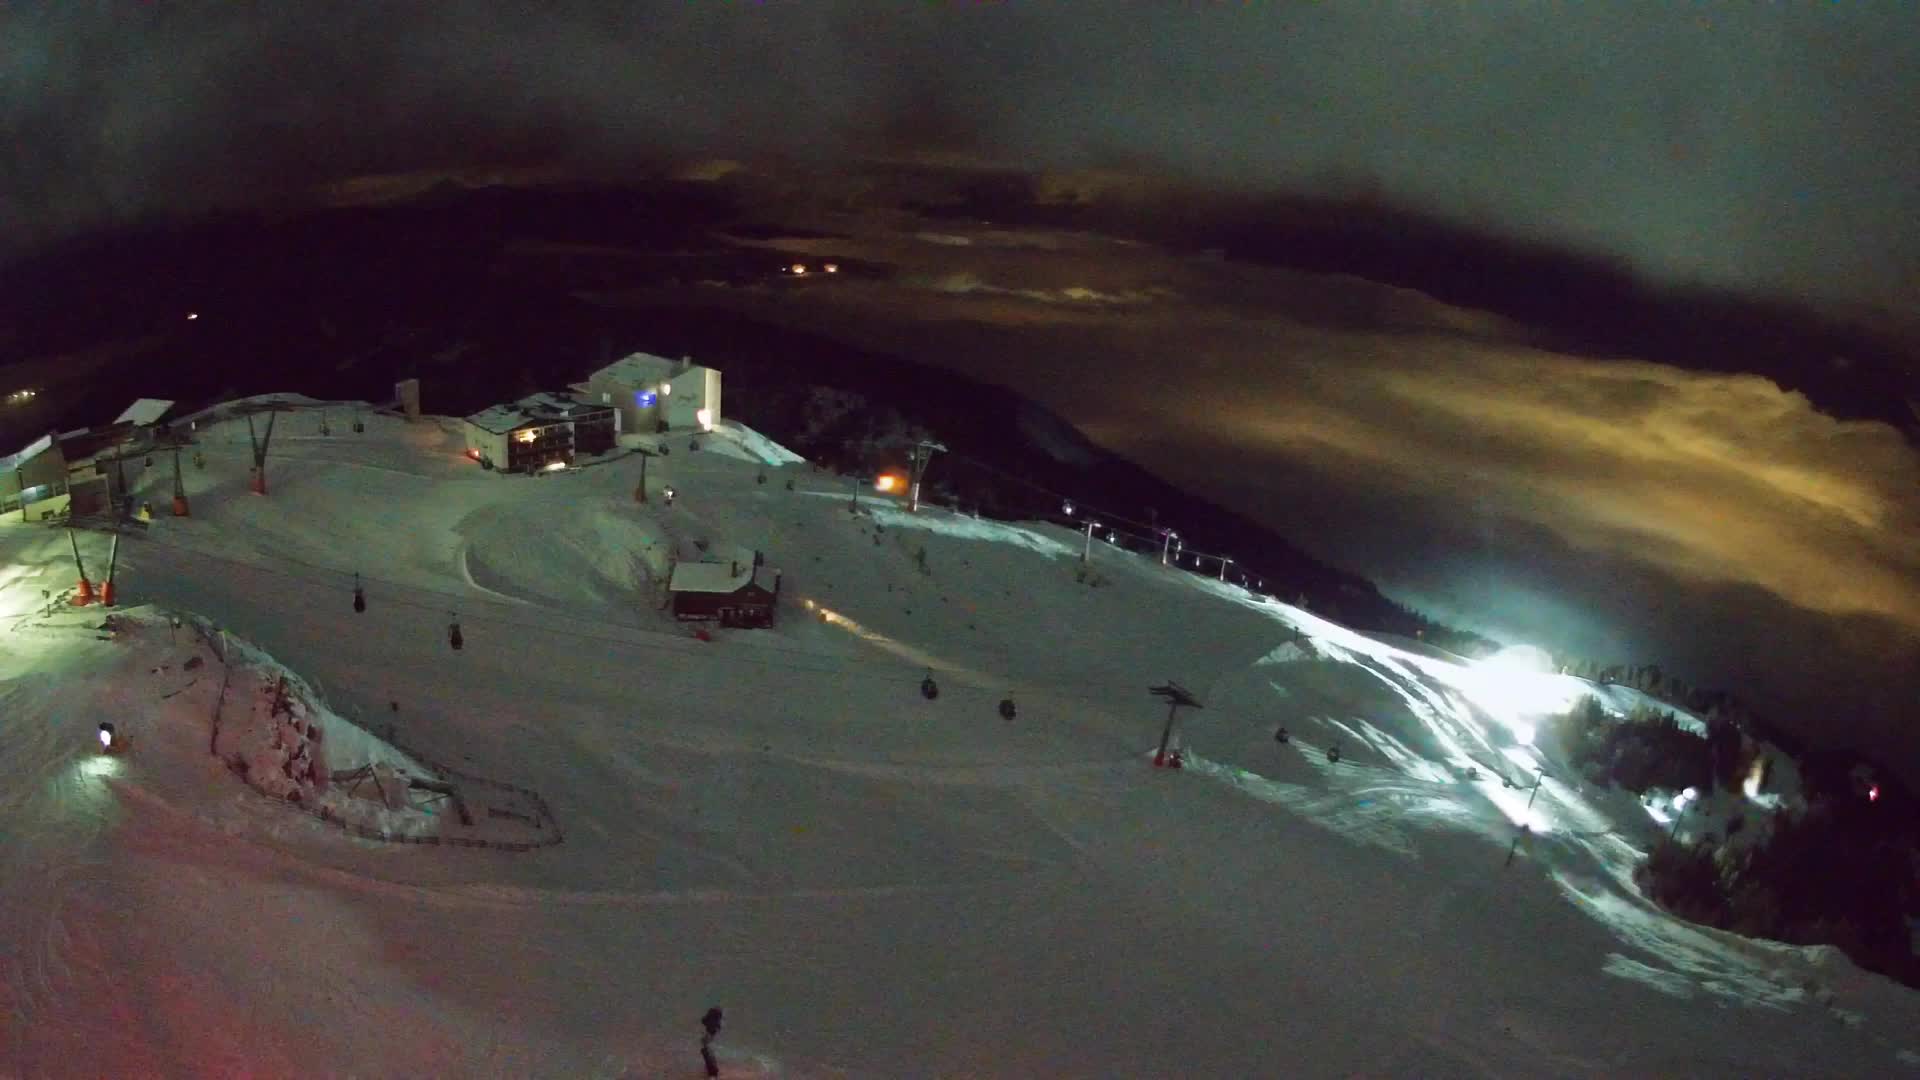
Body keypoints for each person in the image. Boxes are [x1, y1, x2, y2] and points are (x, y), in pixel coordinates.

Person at [700, 1007, 723, 1078]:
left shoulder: (711, 1024)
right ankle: (711, 1072)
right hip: (709, 1042)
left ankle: (710, 1072)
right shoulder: (716, 1025)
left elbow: (703, 1021)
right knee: (708, 1054)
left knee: (708, 1053)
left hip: (708, 1042)